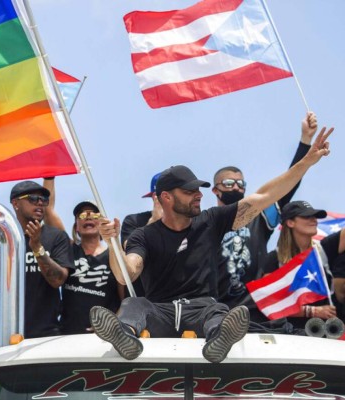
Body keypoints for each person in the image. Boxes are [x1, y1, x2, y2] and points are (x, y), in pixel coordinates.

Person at [90, 126, 332, 363]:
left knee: (218, 312)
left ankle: (219, 340)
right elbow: (126, 275)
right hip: (159, 312)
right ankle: (124, 336)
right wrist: (112, 243)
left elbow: (265, 197)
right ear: (166, 197)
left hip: (202, 310)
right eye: (189, 191)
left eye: (199, 189)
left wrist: (306, 162)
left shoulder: (211, 221)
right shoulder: (144, 235)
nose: (199, 194)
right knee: (134, 303)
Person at [214, 112, 318, 323]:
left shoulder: (259, 218)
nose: (236, 186)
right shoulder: (207, 222)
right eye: (228, 183)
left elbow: (285, 188)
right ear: (215, 190)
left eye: (241, 184)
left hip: (254, 304)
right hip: (213, 304)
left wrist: (305, 142)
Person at [0, 180, 74, 345]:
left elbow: (57, 280)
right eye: (32, 199)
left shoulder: (56, 237)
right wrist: (9, 244)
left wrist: (37, 248)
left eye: (44, 200)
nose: (40, 203)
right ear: (15, 203)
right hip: (6, 335)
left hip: (46, 335)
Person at [42, 178, 123, 334]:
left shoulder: (115, 256)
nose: (88, 217)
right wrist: (49, 175)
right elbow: (48, 212)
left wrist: (111, 323)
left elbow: (125, 300)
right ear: (76, 226)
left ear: (102, 223)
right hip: (68, 335)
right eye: (82, 215)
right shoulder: (69, 249)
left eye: (94, 215)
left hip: (104, 338)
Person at [264, 200, 345, 331]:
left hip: (328, 335)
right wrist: (312, 311)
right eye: (307, 216)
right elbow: (269, 303)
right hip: (289, 335)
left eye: (315, 216)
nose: (314, 220)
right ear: (290, 222)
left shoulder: (323, 250)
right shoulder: (273, 259)